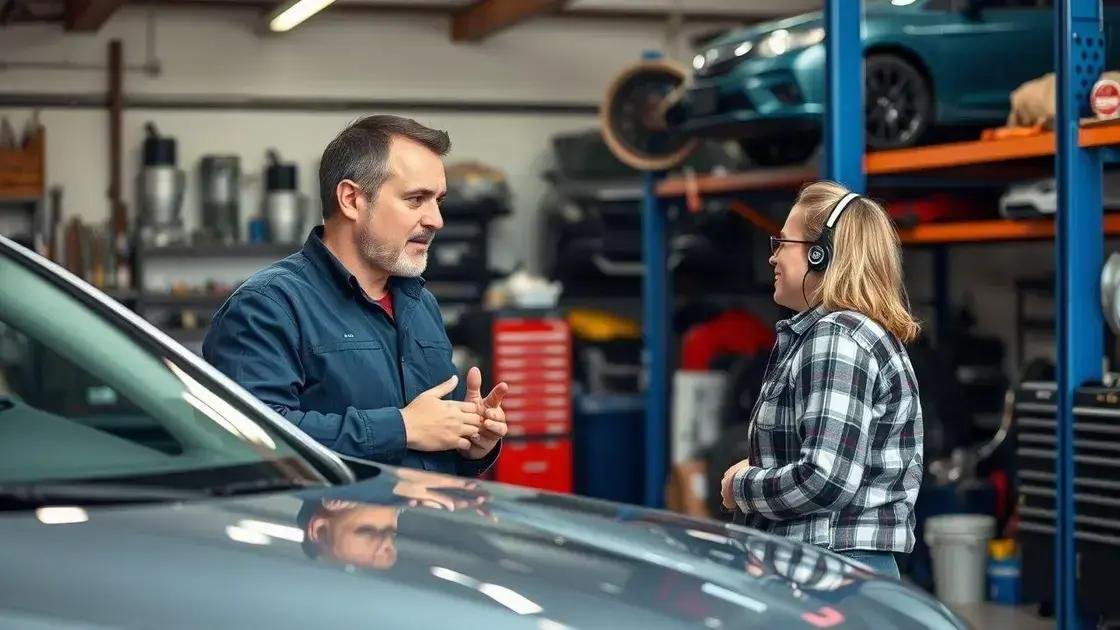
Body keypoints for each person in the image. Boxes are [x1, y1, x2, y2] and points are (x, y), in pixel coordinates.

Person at [204, 115, 507, 477]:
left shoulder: (420, 304)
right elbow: (248, 440)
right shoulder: (267, 306)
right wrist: (401, 429)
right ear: (351, 199)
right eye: (416, 200)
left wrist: (473, 441)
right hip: (326, 530)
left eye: (438, 200)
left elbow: (434, 436)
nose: (436, 220)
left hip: (428, 527)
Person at [719, 180, 923, 580]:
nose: (773, 257)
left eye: (783, 243)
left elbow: (826, 478)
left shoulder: (837, 338)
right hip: (835, 569)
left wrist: (743, 486)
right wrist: (768, 467)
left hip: (829, 573)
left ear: (820, 255)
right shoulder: (841, 335)